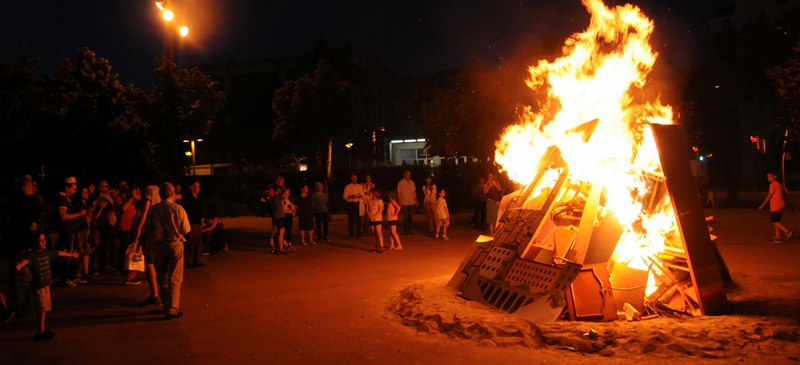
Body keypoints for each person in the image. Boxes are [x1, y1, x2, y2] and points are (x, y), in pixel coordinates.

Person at [15, 233, 80, 340]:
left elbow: (59, 253)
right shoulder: (33, 255)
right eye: (41, 240)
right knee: (42, 308)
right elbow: (26, 261)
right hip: (39, 286)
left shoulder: (46, 253)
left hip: (46, 285)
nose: (44, 242)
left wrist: (71, 255)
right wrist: (20, 265)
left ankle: (42, 329)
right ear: (35, 243)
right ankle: (40, 331)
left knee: (44, 308)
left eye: (44, 240)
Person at [146, 182, 191, 320]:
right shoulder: (177, 209)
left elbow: (149, 229)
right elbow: (186, 229)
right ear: (172, 194)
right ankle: (172, 309)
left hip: (159, 245)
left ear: (160, 195)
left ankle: (166, 305)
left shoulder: (153, 210)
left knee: (163, 277)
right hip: (175, 244)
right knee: (175, 278)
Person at [54, 176, 86, 287]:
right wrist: (78, 214)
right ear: (67, 187)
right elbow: (63, 216)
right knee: (68, 255)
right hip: (67, 232)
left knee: (74, 255)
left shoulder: (67, 198)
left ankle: (71, 276)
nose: (74, 191)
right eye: (73, 189)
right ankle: (64, 278)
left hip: (73, 230)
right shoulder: (61, 199)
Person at [758, 172, 793, 242]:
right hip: (781, 204)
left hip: (776, 205)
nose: (769, 178)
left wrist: (762, 205)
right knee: (776, 221)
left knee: (774, 221)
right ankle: (777, 236)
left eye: (770, 176)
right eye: (768, 177)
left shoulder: (772, 184)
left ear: (775, 177)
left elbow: (769, 195)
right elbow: (786, 191)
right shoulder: (779, 184)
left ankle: (787, 231)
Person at [182, 181, 205, 268]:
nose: (198, 188)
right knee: (190, 242)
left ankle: (197, 260)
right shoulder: (187, 198)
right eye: (196, 186)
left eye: (199, 186)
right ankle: (189, 262)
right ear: (191, 187)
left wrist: (202, 218)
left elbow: (202, 209)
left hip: (198, 222)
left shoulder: (199, 198)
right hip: (191, 222)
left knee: (198, 242)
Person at [343, 173, 365, 239]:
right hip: (351, 204)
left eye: (356, 178)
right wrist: (351, 196)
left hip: (358, 203)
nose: (355, 179)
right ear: (351, 179)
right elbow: (345, 196)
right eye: (353, 178)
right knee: (351, 219)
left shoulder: (360, 186)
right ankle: (351, 234)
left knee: (359, 220)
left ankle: (358, 234)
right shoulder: (348, 187)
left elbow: (362, 195)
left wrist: (358, 195)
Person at [397, 170, 418, 235]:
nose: (408, 176)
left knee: (410, 216)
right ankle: (406, 230)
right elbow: (399, 193)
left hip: (411, 201)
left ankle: (410, 229)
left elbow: (414, 192)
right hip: (404, 201)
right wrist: (400, 202)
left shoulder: (412, 182)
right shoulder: (401, 183)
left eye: (409, 174)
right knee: (405, 216)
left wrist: (416, 200)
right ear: (404, 175)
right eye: (407, 174)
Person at [366, 189, 385, 253]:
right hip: (371, 219)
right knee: (374, 233)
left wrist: (374, 216)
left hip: (378, 219)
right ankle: (376, 246)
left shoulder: (379, 201)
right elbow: (367, 209)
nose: (371, 195)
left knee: (379, 233)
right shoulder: (369, 201)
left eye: (373, 194)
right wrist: (369, 215)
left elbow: (380, 210)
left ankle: (382, 247)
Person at [270, 185, 287, 254]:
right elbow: (285, 192)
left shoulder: (273, 198)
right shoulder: (278, 197)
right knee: (281, 232)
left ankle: (277, 247)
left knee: (280, 232)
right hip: (280, 216)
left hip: (277, 216)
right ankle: (280, 248)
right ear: (278, 190)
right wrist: (282, 186)